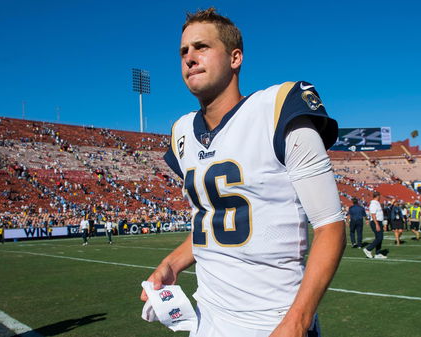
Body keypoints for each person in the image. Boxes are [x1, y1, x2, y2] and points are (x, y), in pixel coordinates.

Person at [140, 8, 345, 337]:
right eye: (183, 51)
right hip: (207, 318)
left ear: (235, 58)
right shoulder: (182, 132)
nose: (190, 57)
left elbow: (330, 226)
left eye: (202, 46)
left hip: (272, 319)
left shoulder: (277, 109)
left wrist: (297, 320)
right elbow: (215, 222)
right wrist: (172, 263)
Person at [363, 191, 387, 259]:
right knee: (380, 237)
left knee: (379, 238)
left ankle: (377, 253)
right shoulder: (373, 204)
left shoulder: (376, 203)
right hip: (375, 222)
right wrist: (377, 224)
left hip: (378, 222)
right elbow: (373, 215)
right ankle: (368, 249)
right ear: (378, 196)